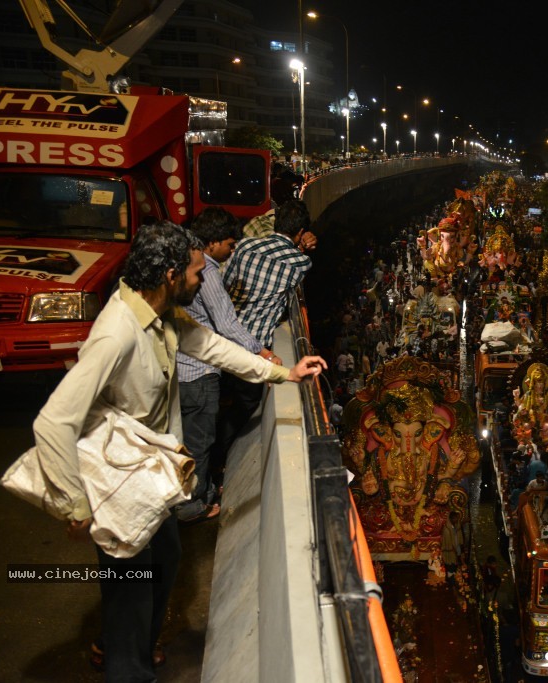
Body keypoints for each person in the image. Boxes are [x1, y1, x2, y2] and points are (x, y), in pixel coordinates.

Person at [31, 221, 327, 680]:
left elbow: (210, 345)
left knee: (165, 560)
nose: (203, 279)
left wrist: (282, 373)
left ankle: (123, 644)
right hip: (117, 481)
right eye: (195, 272)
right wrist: (76, 504)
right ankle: (125, 663)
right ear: (170, 274)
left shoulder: (162, 313)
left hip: (153, 473)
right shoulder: (118, 333)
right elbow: (52, 421)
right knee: (129, 591)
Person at [175, 207, 281, 524]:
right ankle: (193, 504)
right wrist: (262, 352)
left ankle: (199, 491)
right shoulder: (204, 271)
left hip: (180, 369)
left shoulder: (186, 264)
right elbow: (226, 325)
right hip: (198, 372)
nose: (231, 252)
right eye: (230, 245)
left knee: (188, 438)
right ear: (213, 243)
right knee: (200, 442)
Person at [218, 199, 317, 463]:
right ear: (299, 233)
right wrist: (303, 247)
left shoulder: (246, 245)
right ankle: (222, 458)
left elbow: (224, 283)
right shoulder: (300, 262)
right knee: (246, 405)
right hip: (255, 347)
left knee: (219, 401)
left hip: (225, 336)